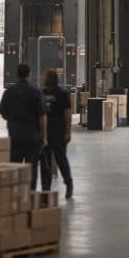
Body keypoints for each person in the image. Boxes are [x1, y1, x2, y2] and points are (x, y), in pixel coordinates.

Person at [0, 64, 47, 190]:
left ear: (17, 75)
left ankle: (16, 195)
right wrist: (44, 136)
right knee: (32, 169)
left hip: (15, 136)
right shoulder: (35, 92)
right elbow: (42, 116)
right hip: (32, 137)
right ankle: (30, 195)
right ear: (29, 75)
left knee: (15, 168)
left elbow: (2, 112)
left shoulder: (9, 91)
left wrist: (13, 120)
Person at [41, 69, 74, 199]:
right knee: (45, 162)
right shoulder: (41, 93)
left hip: (58, 132)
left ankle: (69, 183)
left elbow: (67, 114)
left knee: (61, 160)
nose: (44, 79)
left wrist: (68, 131)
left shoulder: (62, 94)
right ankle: (46, 189)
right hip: (45, 132)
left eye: (46, 77)